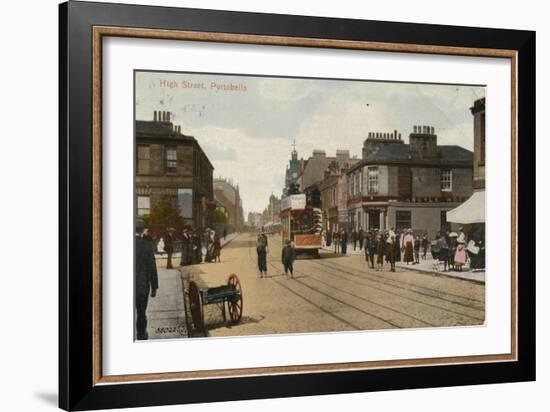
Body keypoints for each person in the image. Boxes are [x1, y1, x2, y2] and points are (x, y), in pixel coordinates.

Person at [135, 218, 158, 340]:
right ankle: (141, 334)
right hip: (142, 287)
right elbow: (152, 268)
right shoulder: (147, 246)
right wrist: (154, 287)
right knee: (141, 313)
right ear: (143, 230)